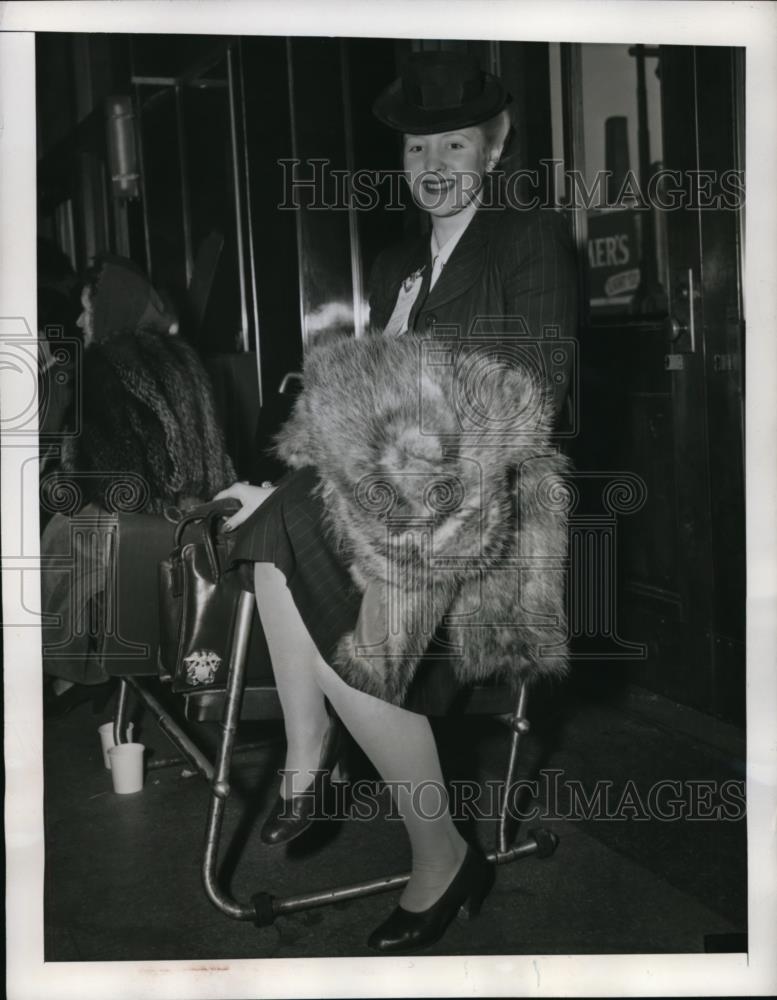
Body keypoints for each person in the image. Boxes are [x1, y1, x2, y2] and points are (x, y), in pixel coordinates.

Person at [216, 50, 578, 952]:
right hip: (387, 500)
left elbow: (534, 390)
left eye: (453, 144)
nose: (433, 165)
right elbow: (353, 406)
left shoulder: (525, 238)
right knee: (271, 519)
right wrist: (311, 461)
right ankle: (308, 756)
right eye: (419, 149)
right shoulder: (391, 265)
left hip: (485, 505)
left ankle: (439, 855)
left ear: (491, 152)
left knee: (328, 587)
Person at [41, 253, 235, 713]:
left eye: (88, 308)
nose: (79, 318)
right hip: (196, 540)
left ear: (112, 309)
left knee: (55, 533)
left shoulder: (100, 368)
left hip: (133, 547)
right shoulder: (188, 360)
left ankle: (75, 670)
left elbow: (104, 482)